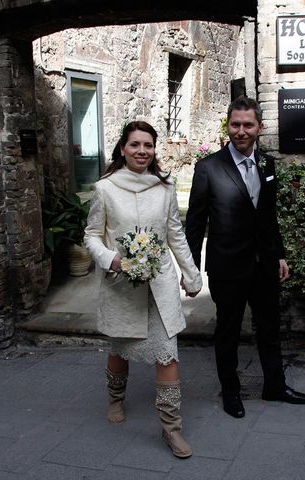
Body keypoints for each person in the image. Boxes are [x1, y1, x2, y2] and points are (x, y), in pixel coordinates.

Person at [185, 96, 305, 419]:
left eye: (248, 125)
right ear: (227, 126)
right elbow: (195, 223)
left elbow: (268, 216)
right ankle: (231, 391)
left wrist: (279, 255)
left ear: (260, 127)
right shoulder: (208, 168)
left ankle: (275, 386)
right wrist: (190, 270)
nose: (241, 131)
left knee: (270, 327)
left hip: (264, 264)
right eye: (235, 125)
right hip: (227, 266)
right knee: (227, 331)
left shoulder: (267, 164)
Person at [84, 121, 202, 458]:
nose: (141, 151)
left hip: (160, 283)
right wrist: (111, 259)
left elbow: (174, 235)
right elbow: (92, 235)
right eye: (135, 145)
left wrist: (191, 275)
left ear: (154, 150)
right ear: (123, 148)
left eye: (148, 145)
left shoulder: (164, 188)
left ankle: (171, 428)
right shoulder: (105, 188)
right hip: (121, 284)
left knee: (167, 351)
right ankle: (115, 399)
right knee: (121, 347)